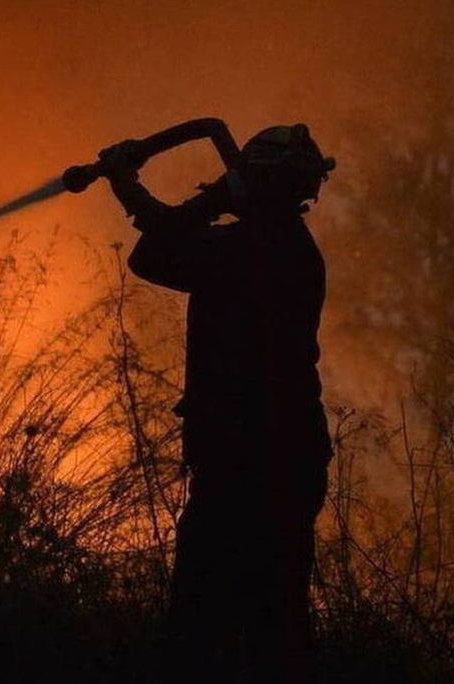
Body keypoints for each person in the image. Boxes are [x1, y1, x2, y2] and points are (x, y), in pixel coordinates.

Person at [99, 122, 336, 682]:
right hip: (265, 453)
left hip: (256, 458)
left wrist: (136, 185)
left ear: (268, 182)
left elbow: (157, 248)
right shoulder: (266, 243)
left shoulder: (262, 250)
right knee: (261, 625)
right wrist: (145, 189)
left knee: (222, 625)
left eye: (251, 175)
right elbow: (158, 251)